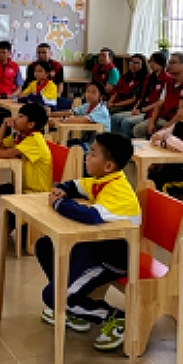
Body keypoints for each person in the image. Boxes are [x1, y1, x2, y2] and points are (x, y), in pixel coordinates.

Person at [36, 132, 139, 352]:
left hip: (113, 259)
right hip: (94, 248)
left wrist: (58, 204)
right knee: (45, 245)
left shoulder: (119, 191)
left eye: (92, 153)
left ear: (108, 166)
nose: (86, 156)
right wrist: (62, 189)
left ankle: (116, 317)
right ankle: (73, 302)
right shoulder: (102, 180)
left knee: (53, 296)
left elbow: (90, 216)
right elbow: (76, 185)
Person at [133, 51, 183, 140]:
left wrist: (165, 129)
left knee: (145, 132)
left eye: (173, 63)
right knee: (139, 130)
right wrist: (152, 122)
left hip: (179, 122)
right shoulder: (169, 82)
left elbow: (182, 114)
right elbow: (160, 103)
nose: (169, 66)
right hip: (163, 117)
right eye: (169, 62)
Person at [114, 51, 167, 137]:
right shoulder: (149, 77)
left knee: (126, 122)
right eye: (150, 61)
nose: (150, 64)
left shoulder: (166, 79)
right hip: (142, 108)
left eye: (152, 61)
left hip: (150, 111)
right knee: (115, 117)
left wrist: (143, 110)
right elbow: (142, 96)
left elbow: (160, 102)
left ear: (160, 63)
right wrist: (135, 108)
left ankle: (126, 143)